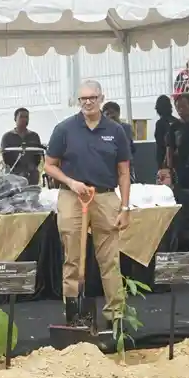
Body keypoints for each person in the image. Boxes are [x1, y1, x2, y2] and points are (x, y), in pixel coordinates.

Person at [44, 80, 132, 327]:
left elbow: (124, 172)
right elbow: (49, 165)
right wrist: (71, 182)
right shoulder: (64, 129)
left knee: (110, 259)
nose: (88, 102)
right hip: (72, 197)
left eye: (92, 97)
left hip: (105, 196)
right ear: (78, 101)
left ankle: (116, 314)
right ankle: (73, 313)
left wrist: (125, 207)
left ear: (101, 98)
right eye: (83, 98)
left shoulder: (116, 131)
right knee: (72, 257)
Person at [0, 108, 44, 185]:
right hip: (14, 174)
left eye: (26, 117)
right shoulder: (7, 137)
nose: (24, 119)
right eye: (21, 117)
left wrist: (31, 167)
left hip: (32, 174)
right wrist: (19, 170)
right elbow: (6, 158)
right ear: (15, 119)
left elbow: (38, 157)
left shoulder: (34, 136)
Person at [165, 93, 189, 186]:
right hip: (180, 167)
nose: (180, 109)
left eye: (183, 106)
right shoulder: (173, 127)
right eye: (178, 107)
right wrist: (170, 168)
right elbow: (170, 148)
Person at [153, 95, 176, 176]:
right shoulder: (176, 121)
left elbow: (159, 142)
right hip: (176, 157)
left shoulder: (160, 123)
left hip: (163, 157)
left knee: (164, 179)